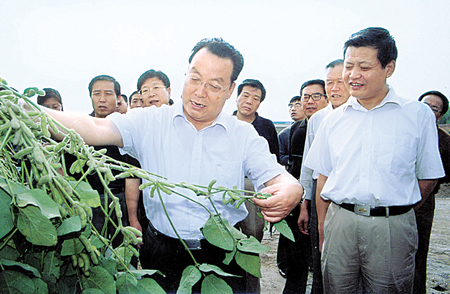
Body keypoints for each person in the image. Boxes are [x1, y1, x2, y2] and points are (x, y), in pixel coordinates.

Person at [43, 38, 303, 293]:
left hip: (223, 253)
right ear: (185, 75)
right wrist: (27, 110)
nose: (200, 92)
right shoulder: (150, 122)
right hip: (161, 252)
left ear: (230, 90)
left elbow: (275, 176)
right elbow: (94, 127)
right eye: (195, 78)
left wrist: (292, 189)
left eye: (214, 85)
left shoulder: (243, 135)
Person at [304, 27, 444, 293]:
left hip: (392, 229)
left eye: (364, 67)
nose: (353, 75)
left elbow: (428, 176)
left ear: (389, 68)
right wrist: (324, 231)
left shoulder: (416, 115)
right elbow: (323, 177)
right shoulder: (332, 119)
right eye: (349, 66)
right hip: (340, 225)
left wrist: (397, 214)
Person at [298, 59, 350, 294]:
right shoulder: (318, 119)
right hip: (322, 200)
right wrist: (304, 205)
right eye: (330, 82)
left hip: (350, 205)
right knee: (321, 260)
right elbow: (309, 169)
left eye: (341, 81)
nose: (335, 87)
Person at [281, 79, 328, 294]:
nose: (309, 101)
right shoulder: (296, 130)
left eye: (316, 96)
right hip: (299, 197)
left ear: (327, 98)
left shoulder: (335, 124)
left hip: (325, 198)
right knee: (296, 253)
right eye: (305, 97)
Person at [233, 78, 279, 293]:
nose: (249, 101)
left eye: (255, 98)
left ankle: (252, 289)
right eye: (245, 95)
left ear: (260, 103)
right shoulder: (223, 121)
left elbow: (274, 162)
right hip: (227, 187)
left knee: (251, 240)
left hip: (255, 189)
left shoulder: (267, 126)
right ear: (236, 97)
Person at [84, 75, 128, 247]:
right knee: (93, 249)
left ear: (118, 98)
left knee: (124, 249)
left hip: (120, 198)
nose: (102, 99)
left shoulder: (127, 126)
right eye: (97, 94)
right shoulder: (81, 127)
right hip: (89, 198)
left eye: (108, 93)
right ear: (91, 97)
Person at [414, 90, 450, 294]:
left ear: (441, 115)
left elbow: (445, 174)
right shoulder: (404, 131)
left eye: (434, 108)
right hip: (393, 198)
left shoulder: (444, 140)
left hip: (424, 201)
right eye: (424, 104)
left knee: (418, 252)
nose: (428, 110)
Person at [278, 96, 305, 167]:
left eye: (298, 105)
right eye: (291, 106)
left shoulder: (314, 128)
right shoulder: (284, 134)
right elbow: (279, 157)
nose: (293, 109)